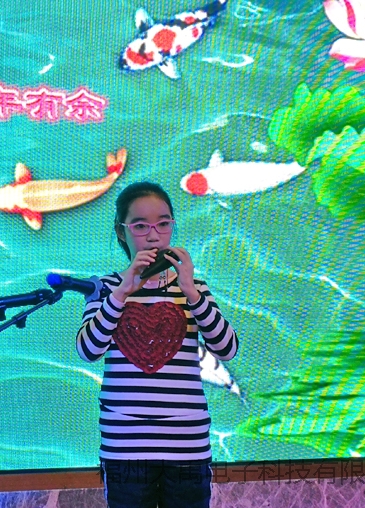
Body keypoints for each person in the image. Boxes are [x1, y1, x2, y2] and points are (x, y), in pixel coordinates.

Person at [76, 181, 238, 508]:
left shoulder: (194, 286)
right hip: (125, 448)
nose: (154, 236)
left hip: (187, 446)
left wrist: (191, 292)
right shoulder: (106, 287)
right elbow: (88, 350)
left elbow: (227, 349)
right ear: (121, 232)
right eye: (140, 226)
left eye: (163, 224)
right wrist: (122, 293)